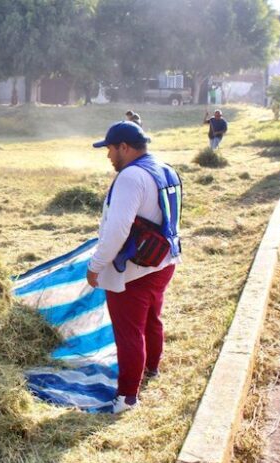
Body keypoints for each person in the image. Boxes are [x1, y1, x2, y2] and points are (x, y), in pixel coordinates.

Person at [87, 122, 182, 414]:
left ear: (124, 147)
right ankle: (152, 368)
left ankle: (127, 397)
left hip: (134, 268)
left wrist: (96, 265)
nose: (108, 156)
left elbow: (117, 230)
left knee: (129, 332)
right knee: (152, 319)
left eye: (110, 149)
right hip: (162, 261)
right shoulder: (165, 169)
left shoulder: (130, 176)